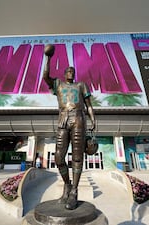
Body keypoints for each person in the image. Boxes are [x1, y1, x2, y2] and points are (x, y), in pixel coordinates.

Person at [43, 44, 96, 210]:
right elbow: (46, 76)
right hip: (63, 118)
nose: (71, 72)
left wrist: (94, 120)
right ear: (64, 74)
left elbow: (88, 105)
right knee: (59, 157)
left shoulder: (81, 85)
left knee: (77, 156)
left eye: (73, 71)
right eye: (68, 70)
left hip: (78, 118)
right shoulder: (58, 84)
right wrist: (48, 58)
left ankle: (74, 191)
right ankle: (67, 185)